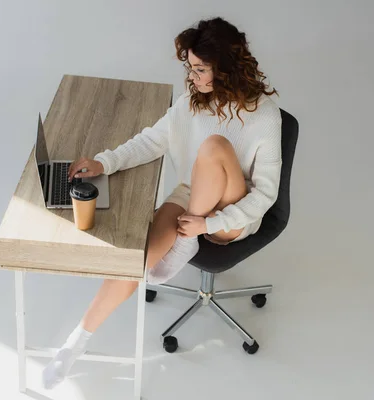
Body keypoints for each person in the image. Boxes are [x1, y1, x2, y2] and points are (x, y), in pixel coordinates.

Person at [42, 16, 282, 389]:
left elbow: (265, 195)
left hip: (234, 210)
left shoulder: (264, 116)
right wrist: (102, 161)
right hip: (193, 196)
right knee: (135, 261)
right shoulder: (192, 103)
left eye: (200, 69)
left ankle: (185, 240)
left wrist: (207, 225)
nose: (193, 76)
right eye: (190, 67)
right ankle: (75, 344)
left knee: (214, 146)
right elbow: (151, 141)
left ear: (227, 68)